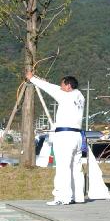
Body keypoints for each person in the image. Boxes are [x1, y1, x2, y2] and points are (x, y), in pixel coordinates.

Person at [25, 71, 85, 206]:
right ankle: (78, 196)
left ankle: (62, 197)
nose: (60, 87)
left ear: (68, 86)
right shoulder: (80, 96)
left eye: (62, 85)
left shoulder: (66, 96)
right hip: (77, 136)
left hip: (65, 136)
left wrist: (32, 78)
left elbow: (49, 88)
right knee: (75, 166)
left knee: (63, 167)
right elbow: (55, 87)